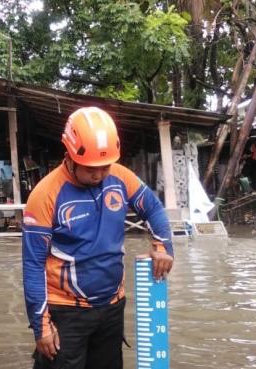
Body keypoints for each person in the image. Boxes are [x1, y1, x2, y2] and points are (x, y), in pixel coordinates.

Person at [22, 106, 174, 369]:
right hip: (66, 311)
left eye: (105, 166)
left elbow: (153, 208)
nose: (100, 174)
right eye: (91, 168)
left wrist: (163, 247)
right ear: (70, 154)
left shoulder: (120, 177)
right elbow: (33, 266)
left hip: (112, 307)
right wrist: (41, 325)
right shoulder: (45, 194)